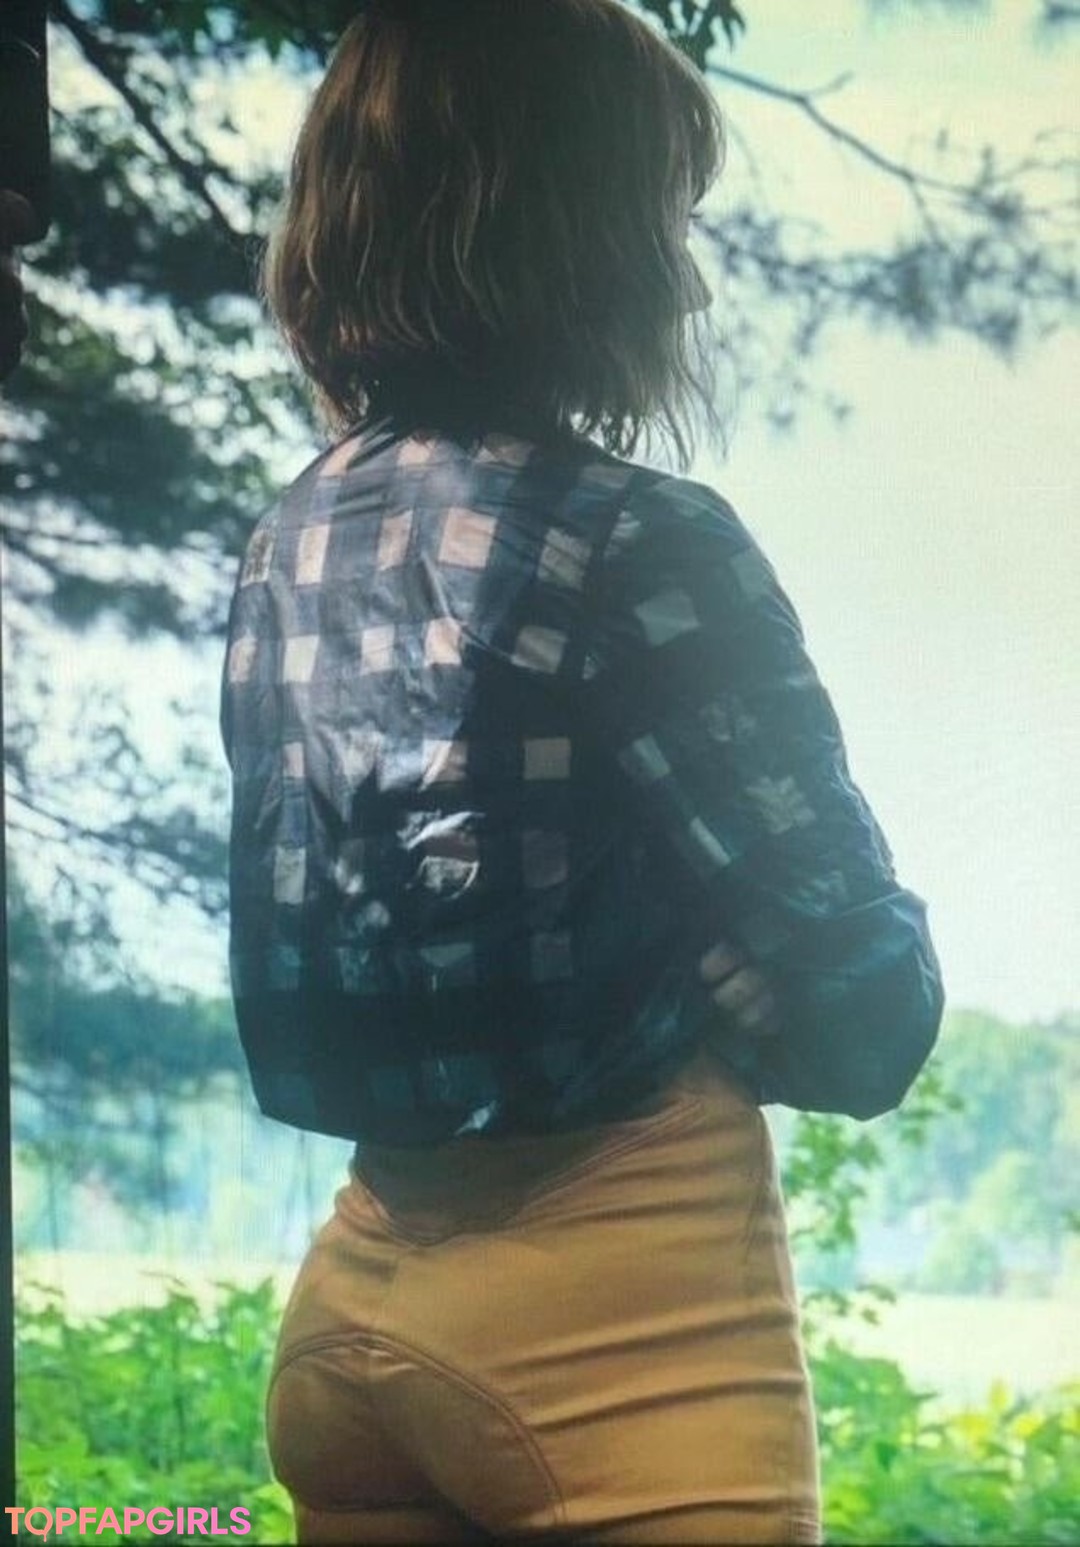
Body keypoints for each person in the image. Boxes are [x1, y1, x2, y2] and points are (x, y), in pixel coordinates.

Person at [220, 1, 945, 1540]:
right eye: (665, 221)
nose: (687, 278)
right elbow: (862, 1006)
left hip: (351, 1310)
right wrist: (747, 979)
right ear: (578, 233)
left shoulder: (287, 538)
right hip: (619, 1336)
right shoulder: (638, 539)